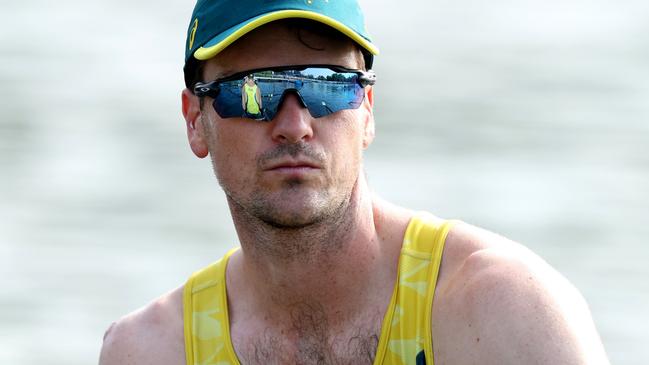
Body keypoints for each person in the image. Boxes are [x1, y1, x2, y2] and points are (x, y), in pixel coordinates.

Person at [99, 1, 610, 364]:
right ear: (194, 120)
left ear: (366, 109)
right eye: (252, 92)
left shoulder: (501, 310)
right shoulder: (150, 351)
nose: (295, 125)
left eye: (327, 86)